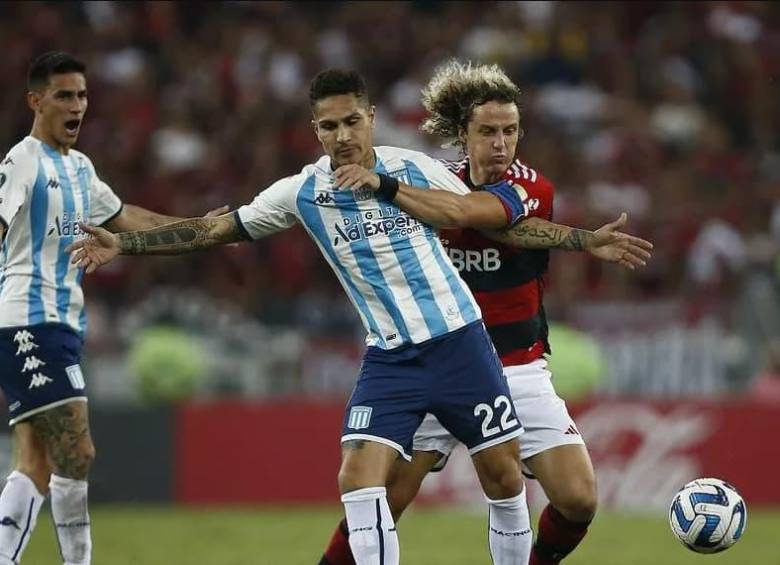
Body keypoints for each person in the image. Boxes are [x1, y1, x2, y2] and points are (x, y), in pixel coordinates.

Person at [69, 69, 649, 565]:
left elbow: (485, 217)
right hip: (392, 355)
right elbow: (215, 228)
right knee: (358, 481)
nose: (342, 135)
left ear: (370, 118)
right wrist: (128, 245)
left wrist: (578, 239)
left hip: (460, 343)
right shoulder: (302, 193)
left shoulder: (412, 168)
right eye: (329, 126)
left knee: (502, 477)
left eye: (352, 121)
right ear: (314, 130)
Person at [319, 61, 652, 565]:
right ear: (462, 135)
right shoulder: (432, 184)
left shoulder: (529, 186)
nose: (501, 144)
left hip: (517, 367)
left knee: (579, 499)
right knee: (383, 500)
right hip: (439, 361)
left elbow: (482, 217)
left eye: (511, 131)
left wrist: (582, 242)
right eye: (488, 132)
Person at [0, 51, 225, 565]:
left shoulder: (79, 168)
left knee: (35, 460)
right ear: (36, 101)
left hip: (62, 325)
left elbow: (130, 219)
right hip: (26, 322)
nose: (77, 104)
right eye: (63, 95)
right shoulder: (22, 162)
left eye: (81, 94)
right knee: (77, 452)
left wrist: (203, 230)